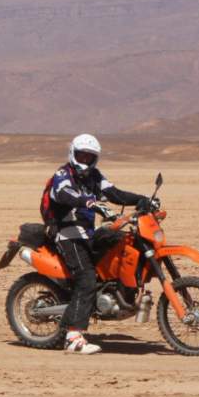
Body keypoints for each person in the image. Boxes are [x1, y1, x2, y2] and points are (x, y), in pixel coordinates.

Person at [47, 133, 149, 355]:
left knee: (123, 241)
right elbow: (64, 194)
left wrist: (142, 199)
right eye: (81, 156)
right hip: (68, 234)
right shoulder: (63, 174)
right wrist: (89, 202)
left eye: (89, 157)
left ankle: (118, 294)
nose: (84, 161)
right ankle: (73, 337)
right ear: (73, 154)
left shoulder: (95, 176)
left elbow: (114, 193)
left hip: (87, 233)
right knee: (86, 279)